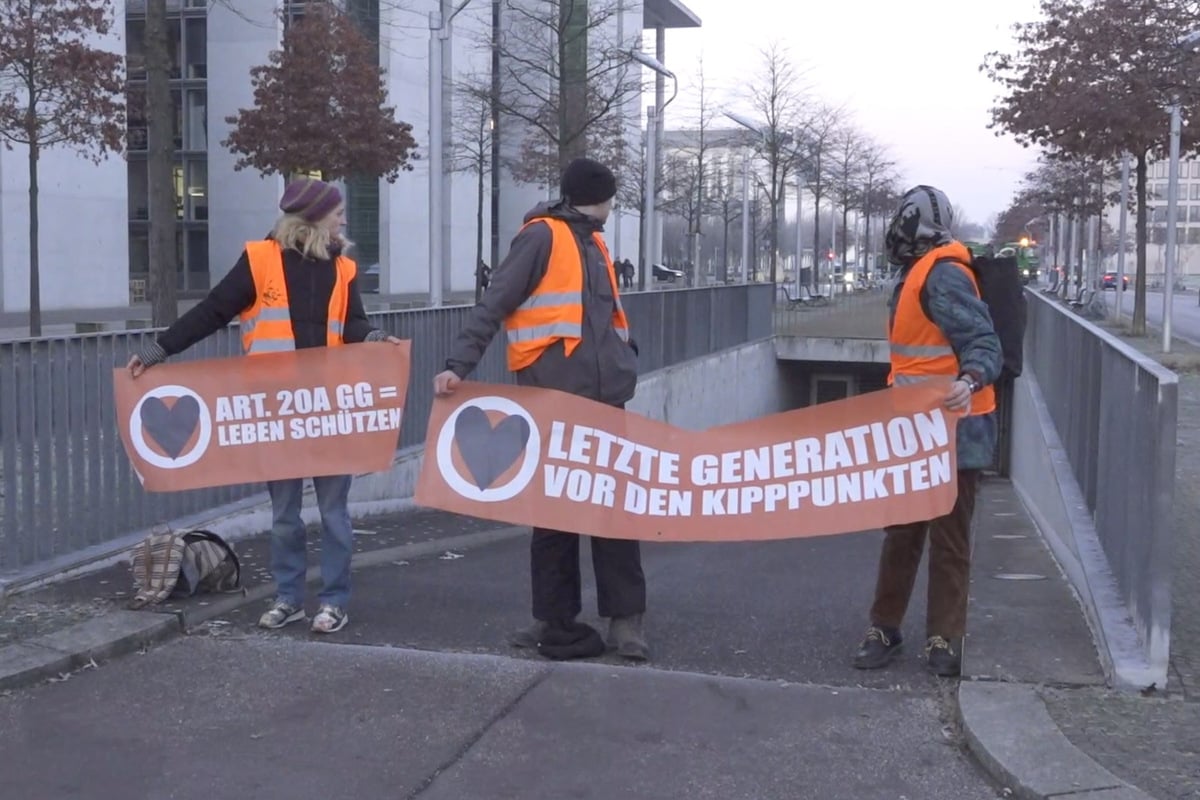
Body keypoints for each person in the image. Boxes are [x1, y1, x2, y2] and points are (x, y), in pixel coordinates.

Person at [126, 176, 404, 635]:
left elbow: (353, 323)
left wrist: (375, 338)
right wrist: (160, 349)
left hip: (329, 407)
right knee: (284, 516)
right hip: (277, 411)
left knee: (334, 513)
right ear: (314, 217)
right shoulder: (260, 259)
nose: (344, 218)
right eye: (337, 212)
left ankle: (333, 601)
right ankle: (289, 598)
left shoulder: (344, 268)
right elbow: (213, 310)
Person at [432, 157, 649, 661]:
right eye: (612, 197)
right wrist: (457, 365)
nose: (614, 206)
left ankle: (624, 621)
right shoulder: (543, 237)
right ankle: (555, 618)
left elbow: (605, 319)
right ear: (599, 196)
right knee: (555, 517)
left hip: (603, 399)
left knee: (613, 513)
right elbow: (495, 303)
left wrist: (625, 359)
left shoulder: (591, 241)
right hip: (553, 400)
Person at [852, 185, 1003, 678]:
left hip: (957, 433)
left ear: (914, 223)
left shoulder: (943, 274)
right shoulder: (919, 272)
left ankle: (941, 637)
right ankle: (889, 628)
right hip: (917, 431)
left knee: (945, 539)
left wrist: (969, 378)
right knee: (903, 534)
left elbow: (984, 341)